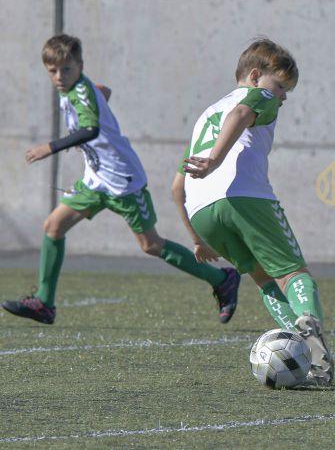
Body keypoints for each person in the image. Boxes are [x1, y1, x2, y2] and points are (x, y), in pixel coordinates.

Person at [2, 34, 240, 325]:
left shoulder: (79, 92)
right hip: (96, 178)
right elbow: (103, 90)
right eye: (53, 70)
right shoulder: (76, 88)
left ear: (80, 66)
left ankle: (221, 278)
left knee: (151, 245)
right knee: (53, 226)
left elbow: (89, 129)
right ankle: (44, 303)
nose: (59, 76)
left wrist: (49, 147)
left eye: (66, 69)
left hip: (122, 180)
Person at [176, 37, 333, 386]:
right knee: (293, 273)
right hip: (245, 198)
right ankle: (318, 359)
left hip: (201, 209)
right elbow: (242, 113)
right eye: (281, 86)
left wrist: (197, 239)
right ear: (255, 74)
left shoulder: (205, 115)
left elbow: (176, 186)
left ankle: (298, 352)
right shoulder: (258, 97)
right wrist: (216, 160)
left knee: (263, 279)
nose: (283, 97)